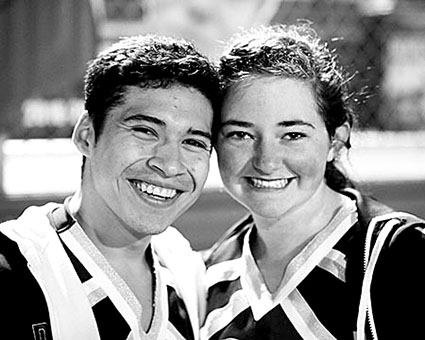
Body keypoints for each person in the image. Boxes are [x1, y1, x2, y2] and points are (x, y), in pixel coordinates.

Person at [200, 23, 425, 340]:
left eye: (292, 135)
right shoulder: (209, 273)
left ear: (336, 140)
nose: (267, 160)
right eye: (241, 135)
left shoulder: (399, 255)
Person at [0, 34, 221, 340]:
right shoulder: (16, 267)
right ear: (87, 135)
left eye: (194, 142)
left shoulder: (186, 268)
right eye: (145, 131)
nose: (170, 165)